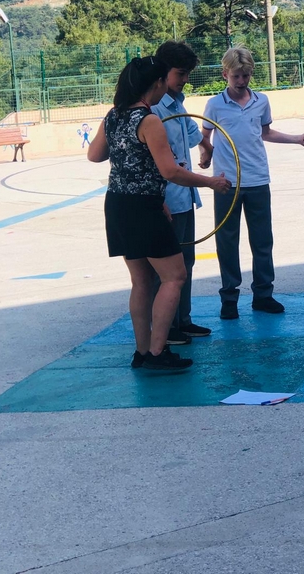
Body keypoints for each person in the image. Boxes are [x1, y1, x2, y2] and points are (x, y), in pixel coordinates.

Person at [87, 56, 231, 371]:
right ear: (157, 84)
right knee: (174, 276)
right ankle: (156, 352)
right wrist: (210, 182)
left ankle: (142, 352)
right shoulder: (149, 120)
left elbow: (94, 155)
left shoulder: (114, 115)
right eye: (164, 81)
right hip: (143, 208)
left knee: (141, 281)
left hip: (118, 204)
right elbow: (170, 171)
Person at [200, 46, 304, 320]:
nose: (241, 81)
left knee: (262, 240)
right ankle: (229, 297)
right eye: (236, 76)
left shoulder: (261, 101)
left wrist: (297, 138)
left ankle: (263, 294)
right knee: (227, 241)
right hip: (226, 183)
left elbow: (265, 132)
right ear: (225, 74)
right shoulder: (215, 105)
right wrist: (206, 155)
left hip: (257, 180)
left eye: (246, 76)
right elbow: (205, 135)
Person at [151, 41, 213, 346]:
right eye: (180, 73)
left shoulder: (177, 104)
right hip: (165, 199)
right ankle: (165, 326)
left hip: (184, 196)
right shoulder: (153, 109)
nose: (185, 79)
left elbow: (192, 135)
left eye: (187, 73)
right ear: (163, 74)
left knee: (186, 262)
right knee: (166, 270)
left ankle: (182, 319)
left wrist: (206, 147)